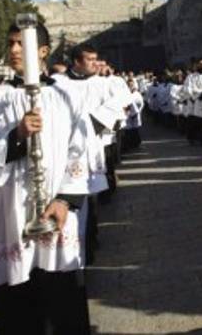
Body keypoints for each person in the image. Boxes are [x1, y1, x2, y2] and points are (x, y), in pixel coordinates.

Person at [0, 22, 90, 335]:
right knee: (18, 302)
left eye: (22, 44)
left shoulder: (68, 95)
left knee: (63, 294)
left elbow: (82, 150)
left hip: (58, 210)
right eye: (11, 43)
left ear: (43, 51)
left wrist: (65, 200)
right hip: (10, 212)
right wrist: (16, 136)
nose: (14, 50)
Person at [52, 44, 133, 262]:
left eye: (97, 59)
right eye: (90, 59)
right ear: (76, 62)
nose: (95, 63)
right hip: (65, 150)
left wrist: (95, 123)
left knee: (91, 196)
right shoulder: (57, 83)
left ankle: (90, 239)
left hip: (94, 145)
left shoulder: (102, 83)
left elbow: (123, 102)